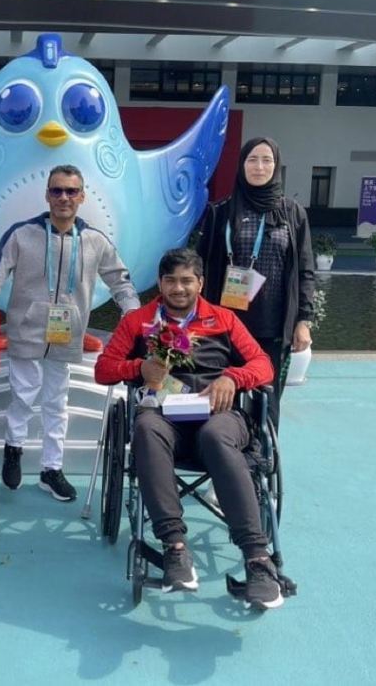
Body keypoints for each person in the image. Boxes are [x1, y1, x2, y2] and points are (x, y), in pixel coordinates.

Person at [94, 248, 284, 609]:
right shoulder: (138, 321)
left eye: (186, 281)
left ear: (200, 282)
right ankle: (175, 550)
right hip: (166, 419)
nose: (178, 288)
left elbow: (264, 365)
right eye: (170, 281)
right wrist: (137, 368)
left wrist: (233, 377)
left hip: (219, 416)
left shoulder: (224, 319)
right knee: (146, 428)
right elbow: (104, 368)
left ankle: (258, 560)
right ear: (160, 283)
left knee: (215, 435)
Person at [0, 164, 140, 501]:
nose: (64, 197)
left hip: (67, 334)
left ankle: (51, 469)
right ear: (47, 195)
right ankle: (14, 449)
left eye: (71, 191)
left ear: (82, 196)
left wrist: (134, 313)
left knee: (57, 402)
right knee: (23, 396)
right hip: (27, 330)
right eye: (57, 191)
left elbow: (119, 280)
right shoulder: (22, 233)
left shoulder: (95, 241)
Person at [194, 136, 314, 431]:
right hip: (226, 325)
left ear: (277, 166)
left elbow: (306, 271)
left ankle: (259, 460)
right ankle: (225, 456)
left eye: (266, 160)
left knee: (267, 399)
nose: (259, 167)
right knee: (223, 396)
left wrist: (304, 321)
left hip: (272, 327)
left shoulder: (292, 214)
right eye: (252, 160)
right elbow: (199, 266)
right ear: (241, 165)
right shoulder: (220, 212)